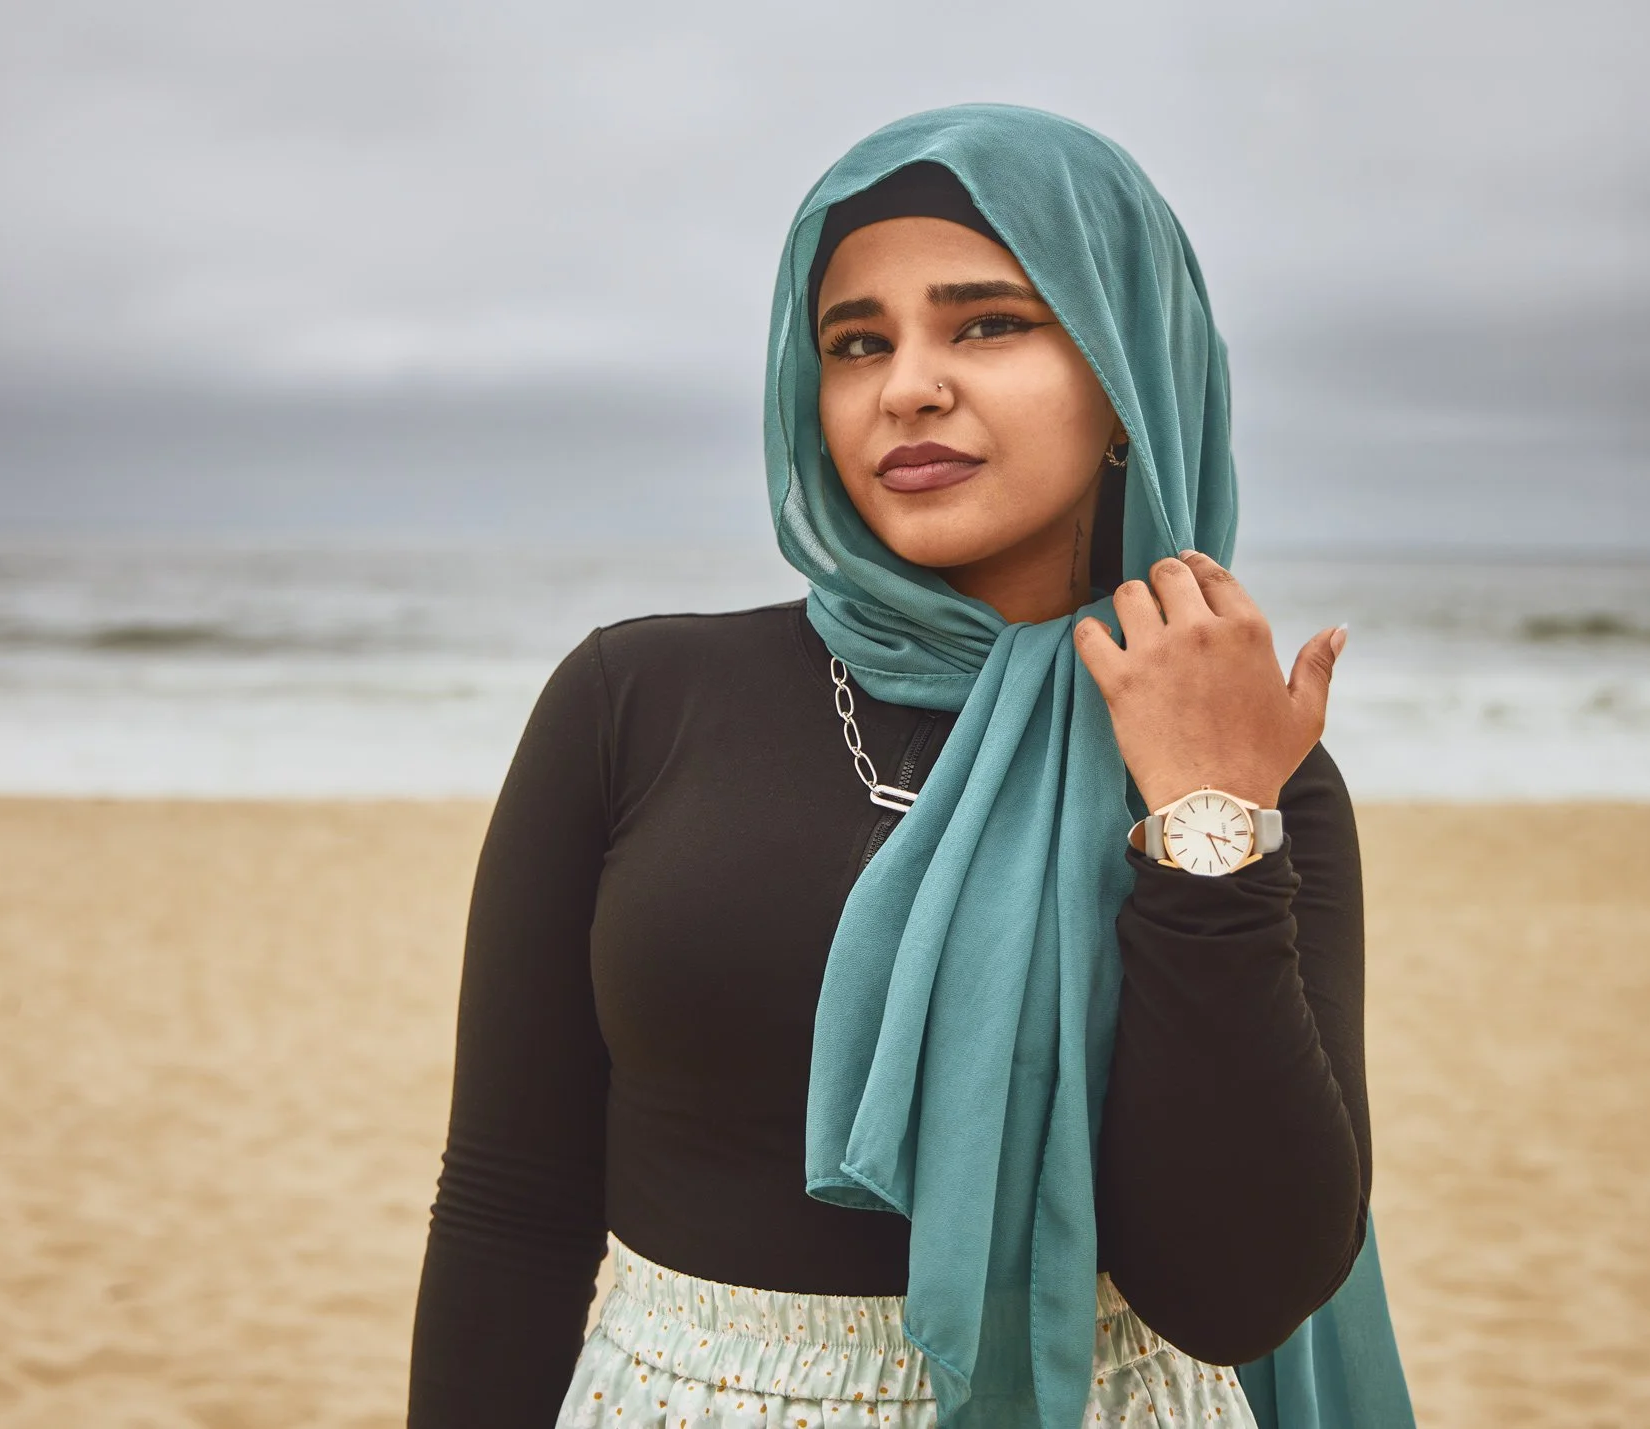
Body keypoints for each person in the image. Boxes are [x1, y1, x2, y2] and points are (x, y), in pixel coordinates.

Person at [406, 105, 1414, 1428]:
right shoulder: (635, 701)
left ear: (1126, 375)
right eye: (855, 343)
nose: (907, 387)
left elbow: (1242, 1292)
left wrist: (1206, 818)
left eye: (986, 323)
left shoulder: (1237, 763)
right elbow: (509, 1206)